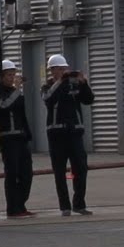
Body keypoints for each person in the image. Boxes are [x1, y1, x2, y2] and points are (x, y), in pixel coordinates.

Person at [41, 54, 94, 216]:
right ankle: (65, 206)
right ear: (52, 70)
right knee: (59, 171)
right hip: (56, 135)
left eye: (65, 69)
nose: (63, 72)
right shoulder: (47, 86)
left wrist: (83, 83)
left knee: (81, 168)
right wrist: (60, 82)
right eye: (60, 69)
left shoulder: (73, 85)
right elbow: (49, 99)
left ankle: (79, 204)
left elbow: (88, 99)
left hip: (74, 133)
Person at [0, 59, 34, 218]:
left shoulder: (14, 92)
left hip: (21, 136)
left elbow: (22, 115)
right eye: (9, 75)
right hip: (7, 137)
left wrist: (27, 134)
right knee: (12, 173)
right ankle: (12, 208)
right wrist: (17, 90)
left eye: (13, 75)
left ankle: (21, 204)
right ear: (1, 77)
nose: (12, 78)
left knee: (26, 173)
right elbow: (4, 106)